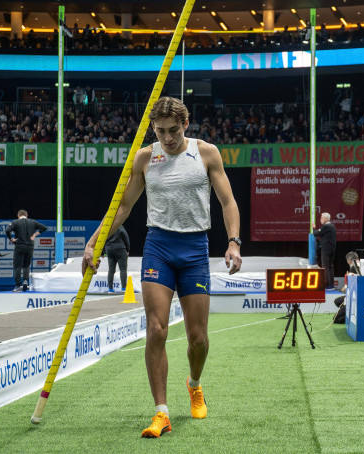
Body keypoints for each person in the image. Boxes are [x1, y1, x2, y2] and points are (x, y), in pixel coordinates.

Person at [81, 97, 242, 438]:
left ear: (186, 124)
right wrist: (94, 242)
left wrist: (233, 242)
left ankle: (194, 384)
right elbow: (122, 207)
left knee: (198, 338)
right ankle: (161, 412)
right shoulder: (145, 157)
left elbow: (227, 201)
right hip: (158, 247)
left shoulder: (206, 152)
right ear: (153, 129)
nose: (167, 138)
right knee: (156, 329)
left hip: (195, 248)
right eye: (160, 131)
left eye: (173, 130)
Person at [5, 209, 47, 292]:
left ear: (18, 215)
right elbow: (44, 228)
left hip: (19, 245)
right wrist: (34, 235)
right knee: (26, 265)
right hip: (30, 246)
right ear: (26, 215)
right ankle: (25, 281)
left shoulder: (15, 222)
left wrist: (11, 239)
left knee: (17, 266)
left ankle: (18, 286)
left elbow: (7, 230)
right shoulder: (33, 222)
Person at [313, 212, 337, 289]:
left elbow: (316, 233)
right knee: (330, 266)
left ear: (326, 219)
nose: (320, 219)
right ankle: (331, 284)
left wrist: (313, 228)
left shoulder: (326, 226)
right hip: (332, 249)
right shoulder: (332, 226)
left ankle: (327, 285)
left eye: (322, 218)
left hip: (326, 250)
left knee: (325, 267)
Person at [104, 225, 130, 293]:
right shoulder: (119, 225)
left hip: (109, 249)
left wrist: (103, 252)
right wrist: (127, 249)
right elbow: (125, 236)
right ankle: (124, 289)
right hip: (120, 248)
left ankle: (110, 289)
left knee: (111, 270)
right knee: (123, 270)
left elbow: (102, 239)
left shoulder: (106, 226)